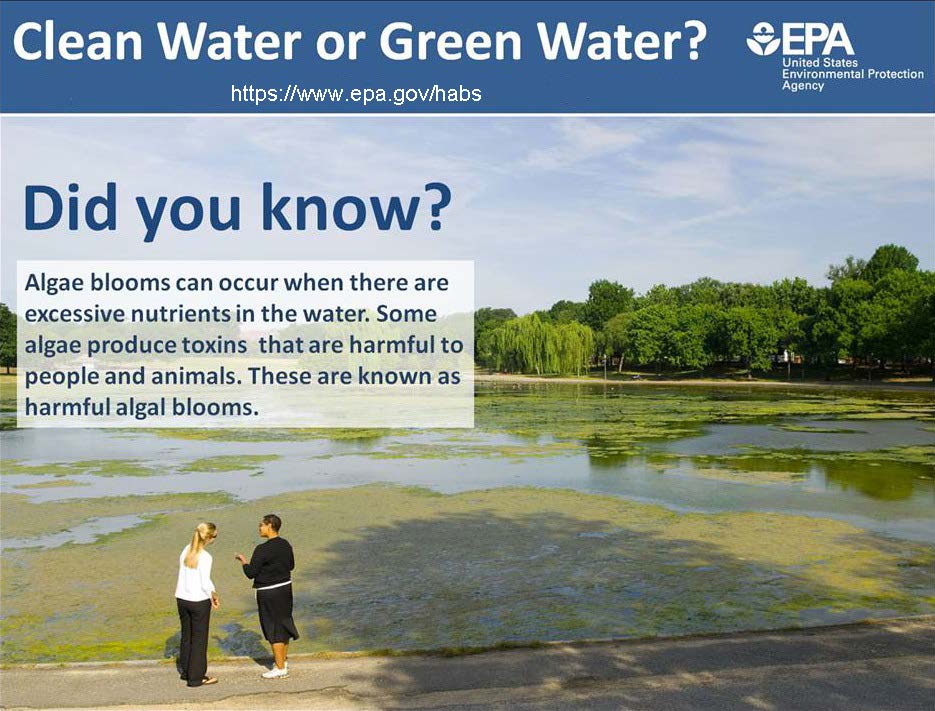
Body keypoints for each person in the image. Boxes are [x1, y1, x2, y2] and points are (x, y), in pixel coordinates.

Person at [235, 514, 298, 679]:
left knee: (273, 628)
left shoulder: (262, 549)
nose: (259, 528)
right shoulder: (285, 544)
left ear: (270, 525)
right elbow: (291, 565)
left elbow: (251, 573)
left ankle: (279, 668)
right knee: (284, 623)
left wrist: (243, 561)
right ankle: (282, 660)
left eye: (261, 525)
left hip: (269, 592)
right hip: (285, 589)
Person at [175, 522, 220, 687]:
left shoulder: (186, 550)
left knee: (187, 636)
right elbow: (204, 582)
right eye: (214, 536)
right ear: (208, 537)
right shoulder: (206, 557)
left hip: (182, 598)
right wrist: (213, 594)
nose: (215, 540)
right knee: (199, 640)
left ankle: (186, 671)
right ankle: (196, 677)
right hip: (198, 601)